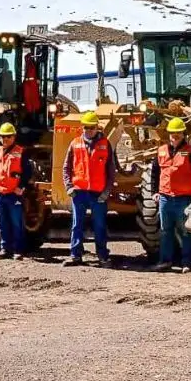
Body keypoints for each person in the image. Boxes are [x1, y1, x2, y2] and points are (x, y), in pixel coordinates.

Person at [62, 111, 119, 267]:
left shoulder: (105, 144)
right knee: (76, 225)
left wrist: (106, 192)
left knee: (99, 226)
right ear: (82, 128)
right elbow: (66, 168)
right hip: (79, 192)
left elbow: (111, 171)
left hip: (98, 194)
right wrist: (69, 187)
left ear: (97, 127)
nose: (89, 130)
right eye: (86, 127)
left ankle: (102, 256)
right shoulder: (75, 144)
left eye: (92, 127)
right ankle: (75, 255)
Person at [150, 117, 191, 272]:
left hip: (184, 198)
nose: (175, 137)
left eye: (178, 134)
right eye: (172, 134)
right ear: (168, 134)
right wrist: (154, 192)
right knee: (165, 231)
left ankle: (187, 263)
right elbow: (155, 173)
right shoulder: (161, 151)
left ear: (183, 134)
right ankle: (165, 261)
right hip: (165, 198)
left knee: (186, 231)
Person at [0, 122, 34, 260]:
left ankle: (18, 250)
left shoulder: (21, 152)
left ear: (14, 137)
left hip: (14, 195)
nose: (5, 139)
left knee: (16, 224)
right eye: (3, 137)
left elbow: (27, 172)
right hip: (0, 194)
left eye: (8, 136)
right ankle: (5, 249)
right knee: (3, 224)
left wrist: (20, 187)